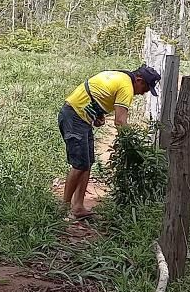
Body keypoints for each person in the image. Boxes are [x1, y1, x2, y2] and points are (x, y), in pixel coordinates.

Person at [58, 64, 160, 219]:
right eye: (145, 88)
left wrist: (98, 114)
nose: (143, 93)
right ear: (139, 80)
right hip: (75, 117)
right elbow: (120, 122)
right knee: (79, 165)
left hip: (79, 116)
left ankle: (78, 206)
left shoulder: (120, 76)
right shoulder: (127, 87)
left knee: (87, 163)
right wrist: (131, 144)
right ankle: (62, 209)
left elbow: (94, 91)